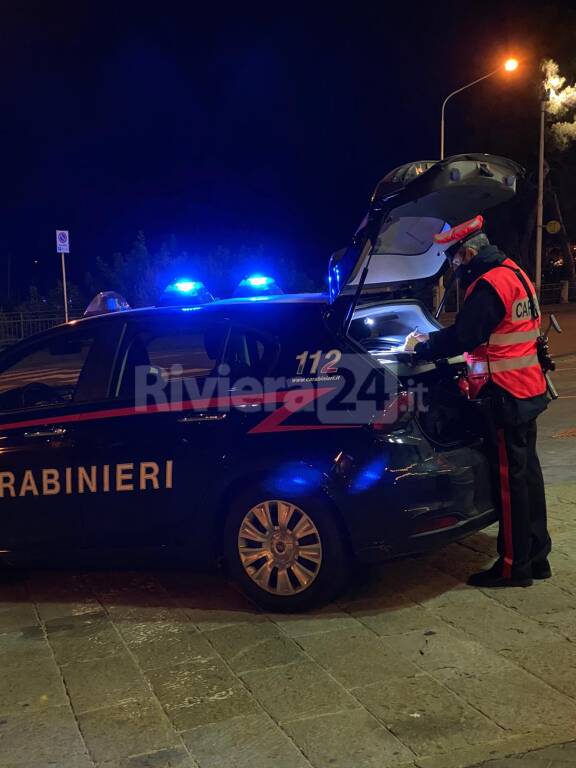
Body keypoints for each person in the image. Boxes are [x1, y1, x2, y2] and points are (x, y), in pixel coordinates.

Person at [404, 215, 551, 588]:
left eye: (454, 258)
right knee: (528, 475)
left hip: (504, 392)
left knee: (510, 481)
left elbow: (465, 336)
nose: (453, 265)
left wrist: (426, 344)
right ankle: (537, 556)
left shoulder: (488, 284)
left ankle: (512, 567)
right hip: (527, 386)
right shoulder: (514, 272)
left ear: (469, 252)